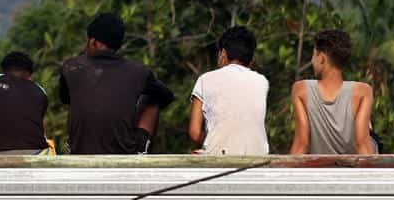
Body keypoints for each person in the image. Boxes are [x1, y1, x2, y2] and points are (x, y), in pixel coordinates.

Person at [58, 12, 174, 154]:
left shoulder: (71, 67)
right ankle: (141, 148)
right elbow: (167, 96)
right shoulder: (138, 71)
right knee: (153, 99)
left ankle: (74, 144)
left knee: (76, 97)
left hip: (80, 151)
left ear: (93, 42)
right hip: (125, 151)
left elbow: (64, 98)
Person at [289, 28, 376, 155]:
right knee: (368, 129)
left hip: (320, 170)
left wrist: (286, 173)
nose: (312, 61)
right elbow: (362, 143)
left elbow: (302, 144)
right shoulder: (362, 91)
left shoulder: (301, 90)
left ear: (322, 58)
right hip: (351, 168)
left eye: (314, 55)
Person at [189, 26, 270, 155]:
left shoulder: (205, 80)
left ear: (223, 54)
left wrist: (211, 143)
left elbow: (195, 133)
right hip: (257, 158)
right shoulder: (262, 81)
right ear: (251, 59)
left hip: (220, 158)